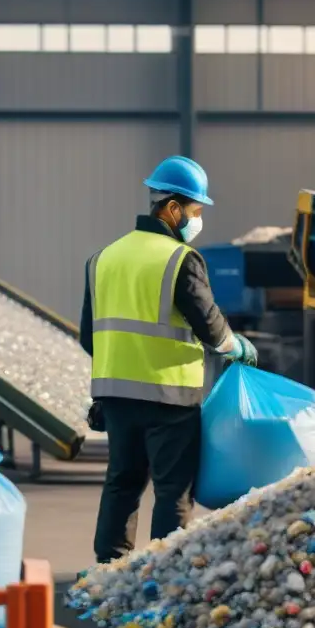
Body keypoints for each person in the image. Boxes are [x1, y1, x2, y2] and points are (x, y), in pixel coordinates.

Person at [79, 155, 258, 564]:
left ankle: (110, 570)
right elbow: (213, 331)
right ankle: (163, 573)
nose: (197, 221)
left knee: (121, 484)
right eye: (195, 211)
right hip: (170, 400)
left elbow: (89, 337)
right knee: (172, 490)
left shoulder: (103, 258)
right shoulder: (180, 260)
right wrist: (240, 347)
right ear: (173, 209)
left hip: (116, 397)